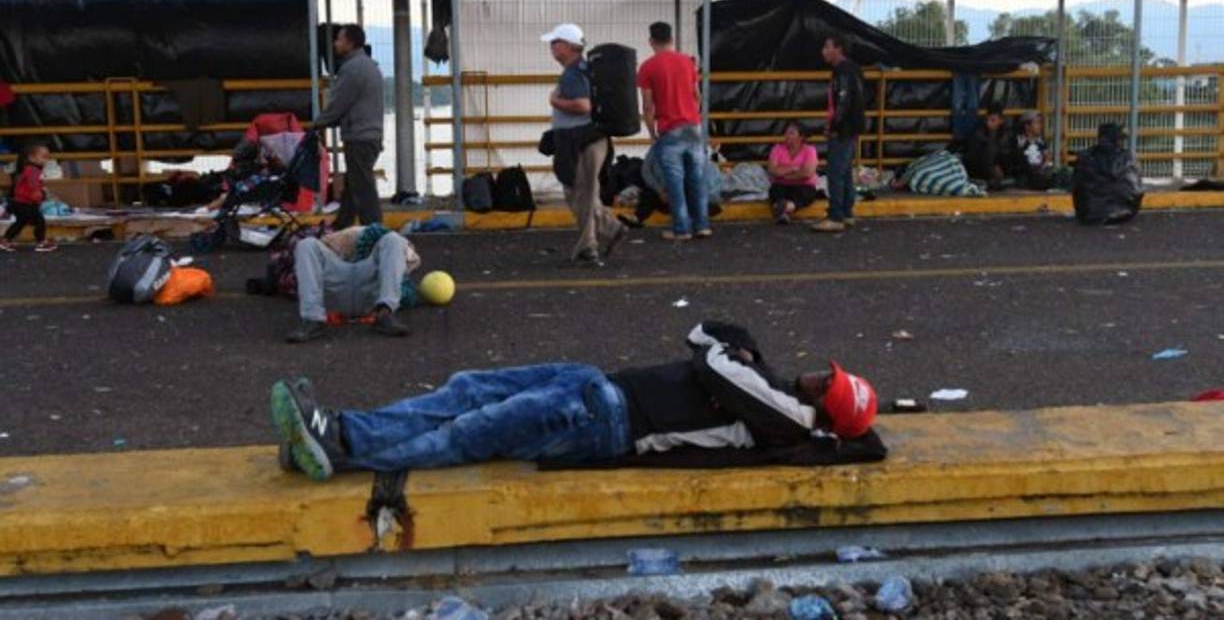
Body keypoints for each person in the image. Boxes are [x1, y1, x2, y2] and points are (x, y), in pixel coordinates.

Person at [269, 320, 880, 481]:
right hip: (595, 386)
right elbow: (703, 332)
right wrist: (736, 350)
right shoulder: (773, 389)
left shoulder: (787, 418)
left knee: (473, 429)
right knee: (468, 388)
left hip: (605, 421)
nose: (816, 377)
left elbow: (711, 358)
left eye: (827, 385)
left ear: (827, 410)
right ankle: (331, 430)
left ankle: (342, 448)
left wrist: (738, 352)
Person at [542, 23, 627, 267]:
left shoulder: (572, 73)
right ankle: (610, 230)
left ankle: (589, 247)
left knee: (581, 194)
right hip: (589, 138)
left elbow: (583, 105)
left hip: (582, 140)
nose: (551, 47)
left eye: (555, 42)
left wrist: (555, 101)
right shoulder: (585, 69)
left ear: (568, 46)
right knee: (583, 192)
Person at [637, 22, 711, 241]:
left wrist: (652, 133)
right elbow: (696, 96)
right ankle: (702, 225)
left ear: (651, 41)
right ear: (671, 39)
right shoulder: (688, 63)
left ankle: (681, 228)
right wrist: (693, 117)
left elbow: (648, 106)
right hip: (693, 127)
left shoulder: (647, 67)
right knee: (697, 178)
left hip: (670, 130)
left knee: (675, 182)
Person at [284, 225, 417, 343]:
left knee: (394, 239)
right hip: (335, 294)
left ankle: (384, 313)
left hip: (371, 294)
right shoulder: (340, 238)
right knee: (306, 244)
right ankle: (313, 320)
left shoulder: (386, 240)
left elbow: (413, 261)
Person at [310, 24, 384, 229]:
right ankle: (342, 225)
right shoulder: (368, 65)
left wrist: (317, 125)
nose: (335, 43)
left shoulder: (351, 69)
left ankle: (376, 231)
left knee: (364, 188)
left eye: (339, 39)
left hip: (359, 137)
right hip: (370, 135)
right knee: (353, 185)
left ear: (350, 43)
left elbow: (338, 104)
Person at [812, 33, 865, 233]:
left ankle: (836, 215)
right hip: (851, 127)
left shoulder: (842, 72)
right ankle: (847, 212)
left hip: (843, 129)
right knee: (844, 172)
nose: (823, 51)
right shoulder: (853, 69)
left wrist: (833, 125)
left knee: (835, 171)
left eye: (827, 46)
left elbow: (842, 102)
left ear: (839, 49)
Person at [1072, 122, 1143, 225]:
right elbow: (1135, 188)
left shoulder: (1088, 156)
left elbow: (1076, 184)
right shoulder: (1124, 158)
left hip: (1089, 213)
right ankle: (1118, 210)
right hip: (1125, 212)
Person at [1, 142, 56, 252]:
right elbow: (33, 184)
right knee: (40, 221)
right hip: (26, 203)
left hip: (18, 202)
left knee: (20, 222)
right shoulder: (33, 170)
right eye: (43, 157)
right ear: (31, 157)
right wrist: (38, 193)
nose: (46, 160)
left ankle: (5, 240)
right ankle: (41, 242)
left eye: (48, 157)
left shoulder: (27, 169)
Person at [767, 122, 820, 224]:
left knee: (804, 194)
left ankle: (784, 208)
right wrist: (793, 169)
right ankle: (784, 209)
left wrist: (784, 174)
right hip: (781, 185)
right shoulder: (777, 149)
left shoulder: (810, 150)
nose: (786, 136)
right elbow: (772, 170)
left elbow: (807, 173)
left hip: (803, 185)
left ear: (801, 137)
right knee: (776, 191)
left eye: (791, 133)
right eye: (786, 133)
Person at [963, 102, 1010, 189]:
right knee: (990, 149)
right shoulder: (978, 132)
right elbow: (973, 155)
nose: (989, 123)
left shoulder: (1005, 133)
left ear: (1001, 121)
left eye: (993, 120)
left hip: (999, 167)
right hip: (979, 168)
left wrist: (999, 165)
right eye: (987, 120)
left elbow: (1006, 152)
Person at [1009, 111, 1054, 189]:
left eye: (1040, 123)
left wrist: (1046, 162)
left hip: (1041, 176)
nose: (1040, 126)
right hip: (1024, 178)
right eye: (1037, 123)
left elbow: (1047, 160)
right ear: (1027, 126)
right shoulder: (1018, 142)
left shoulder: (1042, 143)